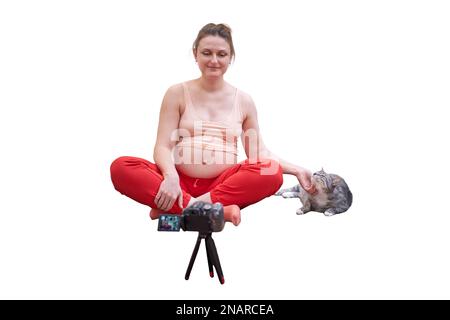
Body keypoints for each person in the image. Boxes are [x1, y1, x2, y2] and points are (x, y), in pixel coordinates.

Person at [110, 23, 316, 226]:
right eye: (207, 53)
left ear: (231, 57)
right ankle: (217, 211)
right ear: (195, 54)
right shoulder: (176, 93)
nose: (214, 60)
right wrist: (170, 177)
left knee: (271, 172)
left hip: (223, 185)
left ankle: (181, 207)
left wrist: (296, 170)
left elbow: (258, 153)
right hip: (178, 183)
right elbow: (163, 145)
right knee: (121, 167)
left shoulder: (244, 101)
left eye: (222, 54)